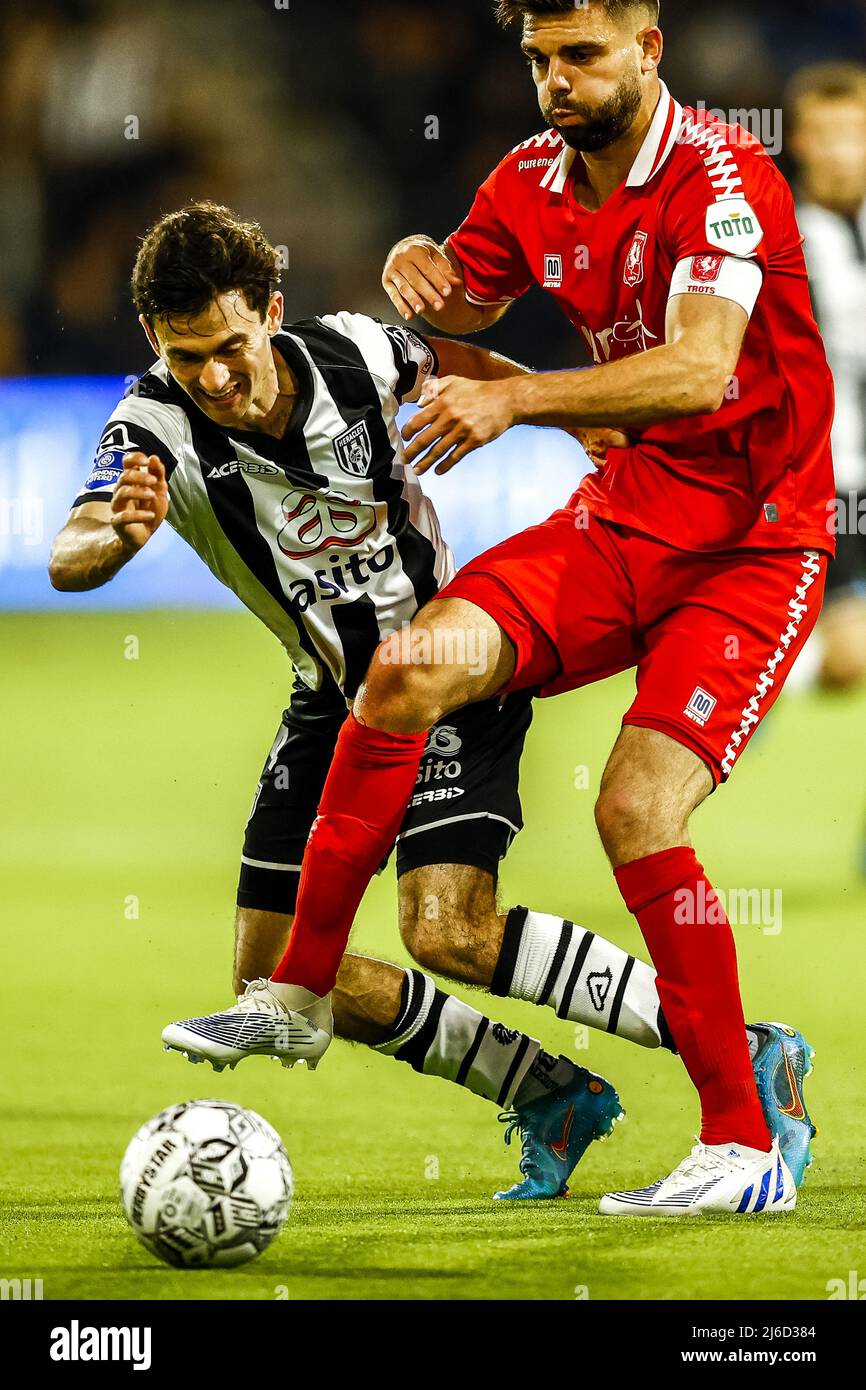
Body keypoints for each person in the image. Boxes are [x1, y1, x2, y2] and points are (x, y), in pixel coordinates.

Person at [168, 0, 832, 1218]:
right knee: (404, 670)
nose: (556, 82)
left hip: (748, 545)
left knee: (634, 807)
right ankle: (300, 989)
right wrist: (414, 261)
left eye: (581, 55)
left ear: (649, 49)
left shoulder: (720, 177)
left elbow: (697, 370)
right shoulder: (528, 176)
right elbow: (458, 307)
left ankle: (740, 1142)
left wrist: (520, 404)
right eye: (538, 59)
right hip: (626, 516)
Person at [50, 199, 641, 1204]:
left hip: (445, 667)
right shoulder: (147, 424)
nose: (216, 377)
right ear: (155, 340)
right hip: (326, 699)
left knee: (446, 930)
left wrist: (574, 414)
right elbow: (72, 551)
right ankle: (548, 1089)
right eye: (188, 355)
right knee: (271, 980)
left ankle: (733, 1039)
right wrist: (118, 539)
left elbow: (469, 369)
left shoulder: (360, 354)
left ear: (271, 310)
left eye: (232, 346)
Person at [788, 63, 866, 861]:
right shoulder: (781, 240)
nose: (846, 152)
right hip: (830, 481)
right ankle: (775, 674)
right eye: (831, 135)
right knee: (851, 661)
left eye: (858, 133)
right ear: (803, 141)